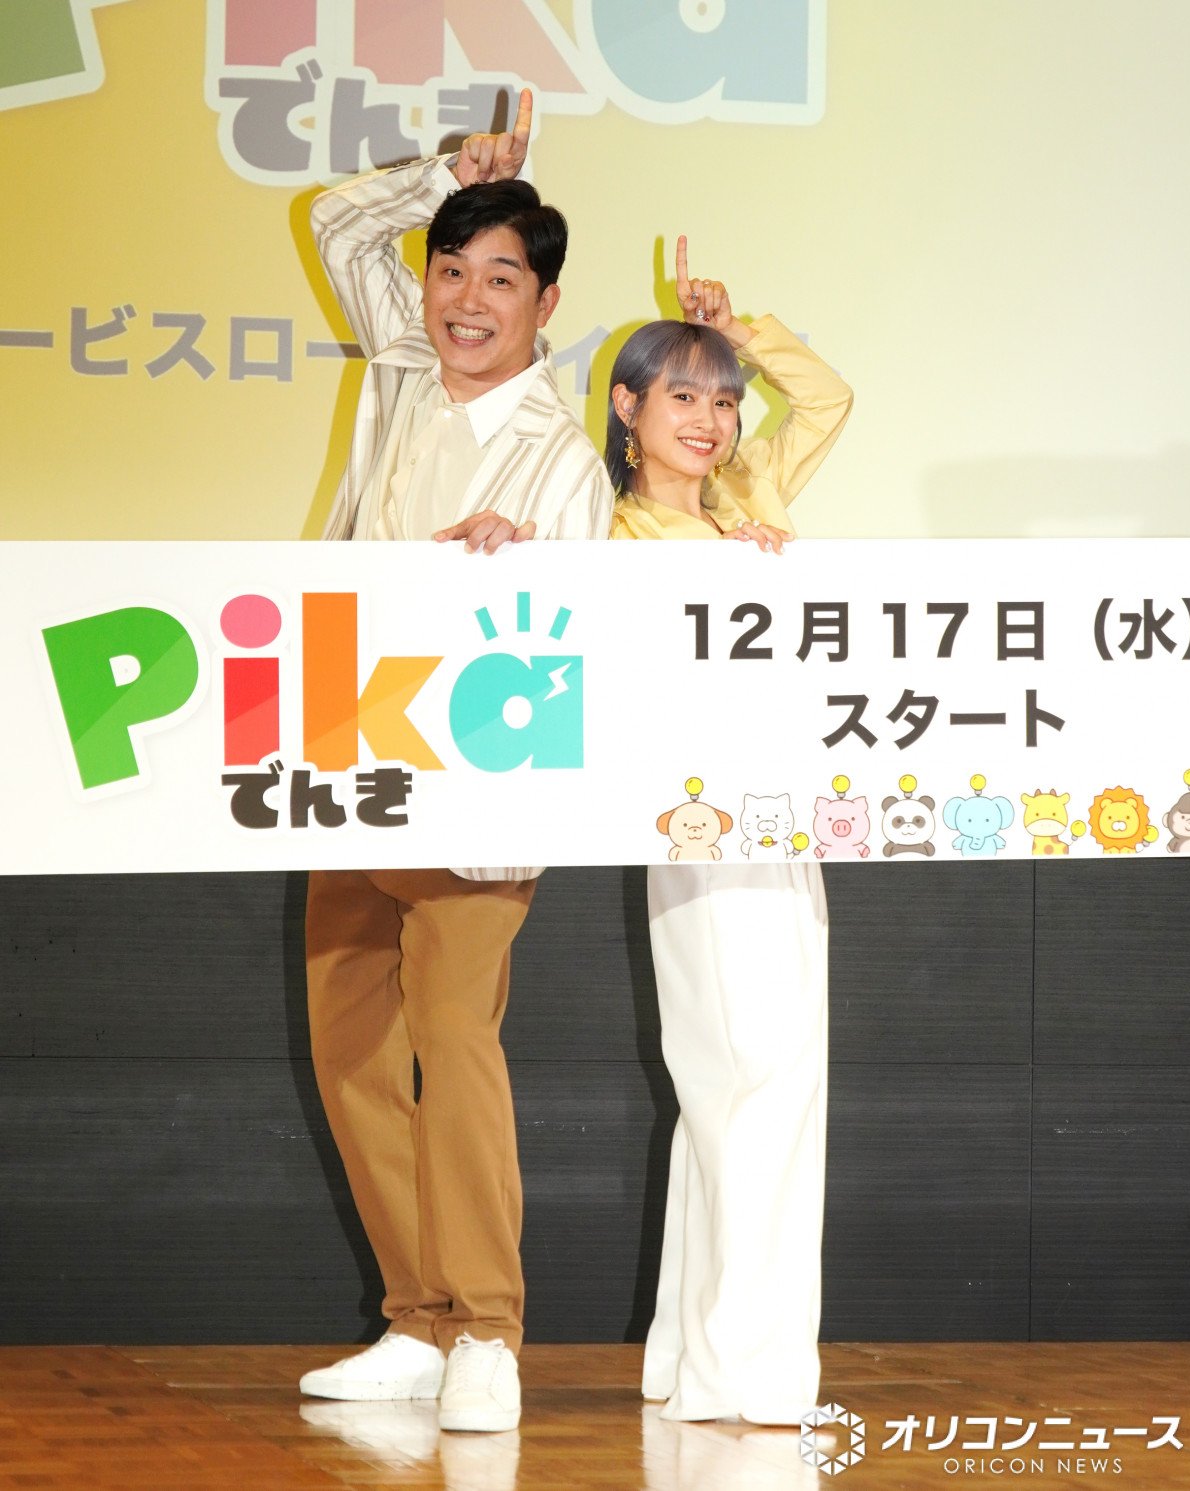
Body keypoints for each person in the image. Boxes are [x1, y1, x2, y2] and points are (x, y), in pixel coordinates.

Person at [300, 90, 612, 1433]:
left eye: (500, 278)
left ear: (546, 303)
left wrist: (526, 568)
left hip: (476, 786)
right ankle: (417, 1319)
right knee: (352, 1046)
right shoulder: (401, 371)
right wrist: (445, 175)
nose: (466, 300)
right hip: (346, 754)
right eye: (451, 270)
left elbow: (581, 626)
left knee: (451, 1040)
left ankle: (488, 1326)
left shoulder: (564, 460)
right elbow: (336, 222)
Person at [608, 239, 853, 1424]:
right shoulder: (606, 532)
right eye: (683, 397)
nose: (709, 422)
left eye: (722, 400)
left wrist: (738, 327)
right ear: (627, 409)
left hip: (785, 814)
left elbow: (829, 399)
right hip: (694, 820)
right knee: (744, 1078)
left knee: (770, 1077)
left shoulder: (750, 499)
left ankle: (696, 1361)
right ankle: (742, 1369)